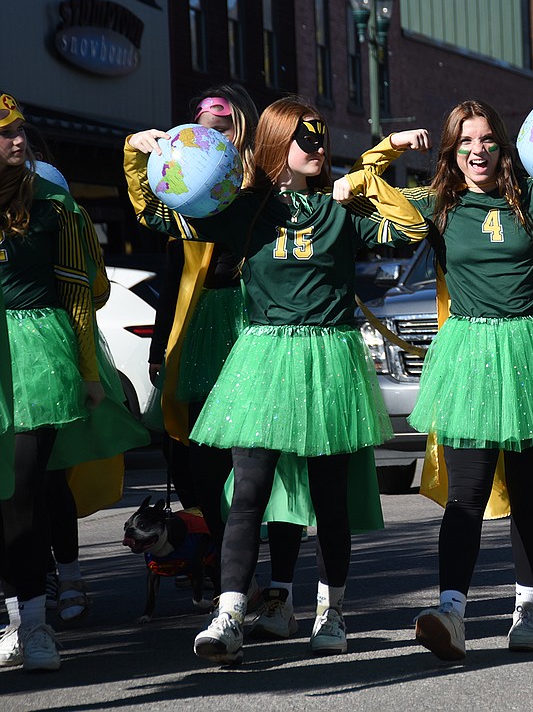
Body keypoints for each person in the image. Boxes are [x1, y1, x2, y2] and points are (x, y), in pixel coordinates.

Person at [124, 95, 430, 666]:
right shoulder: (244, 209)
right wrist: (141, 155)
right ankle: (230, 613)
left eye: (321, 140)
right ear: (274, 144)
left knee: (329, 501)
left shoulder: (343, 210)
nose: (317, 148)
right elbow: (161, 216)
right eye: (304, 139)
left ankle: (331, 613)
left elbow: (410, 231)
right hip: (263, 359)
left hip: (329, 360)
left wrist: (369, 171)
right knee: (247, 499)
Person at [337, 96, 533, 660]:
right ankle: (452, 611)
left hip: (529, 352)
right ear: (452, 151)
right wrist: (387, 148)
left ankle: (528, 609)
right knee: (466, 495)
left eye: (487, 139)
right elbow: (354, 197)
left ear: (505, 145)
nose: (477, 151)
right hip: (468, 358)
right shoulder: (436, 206)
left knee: (528, 492)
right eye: (465, 141)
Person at [132, 84, 311, 636]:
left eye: (225, 126)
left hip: (260, 325)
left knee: (277, 466)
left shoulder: (266, 191)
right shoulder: (189, 190)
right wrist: (137, 156)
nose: (214, 136)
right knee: (203, 465)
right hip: (205, 328)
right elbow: (171, 263)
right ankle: (233, 580)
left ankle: (277, 591)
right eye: (203, 127)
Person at [0, 93, 146, 671]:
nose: (19, 141)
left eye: (22, 132)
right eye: (6, 133)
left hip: (37, 356)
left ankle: (35, 625)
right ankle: (14, 616)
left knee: (23, 494)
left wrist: (88, 371)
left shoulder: (56, 207)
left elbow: (81, 296)